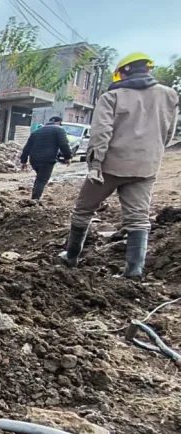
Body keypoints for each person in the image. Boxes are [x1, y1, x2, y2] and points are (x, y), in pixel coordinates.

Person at [60, 52, 179, 278]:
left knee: (83, 210)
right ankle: (134, 269)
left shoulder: (112, 96)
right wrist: (151, 153)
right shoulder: (169, 95)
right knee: (138, 218)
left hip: (110, 166)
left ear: (123, 72)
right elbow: (168, 132)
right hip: (146, 168)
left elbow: (101, 133)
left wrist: (95, 164)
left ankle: (72, 256)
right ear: (148, 70)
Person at [21, 116, 73, 201]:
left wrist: (24, 160)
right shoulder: (59, 130)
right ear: (59, 122)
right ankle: (35, 200)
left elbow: (27, 147)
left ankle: (34, 197)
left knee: (39, 178)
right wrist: (68, 157)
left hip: (34, 159)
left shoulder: (36, 131)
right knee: (42, 180)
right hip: (47, 159)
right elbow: (64, 144)